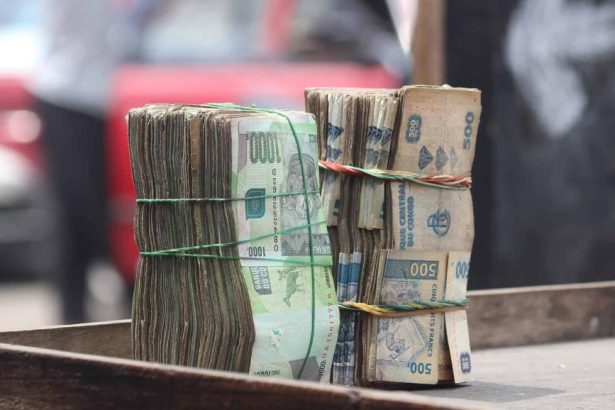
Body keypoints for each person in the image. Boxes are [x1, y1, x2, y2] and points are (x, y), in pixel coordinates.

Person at [29, 0, 163, 323]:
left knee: (99, 207)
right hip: (68, 94)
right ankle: (77, 314)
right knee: (77, 210)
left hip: (99, 96)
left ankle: (113, 304)